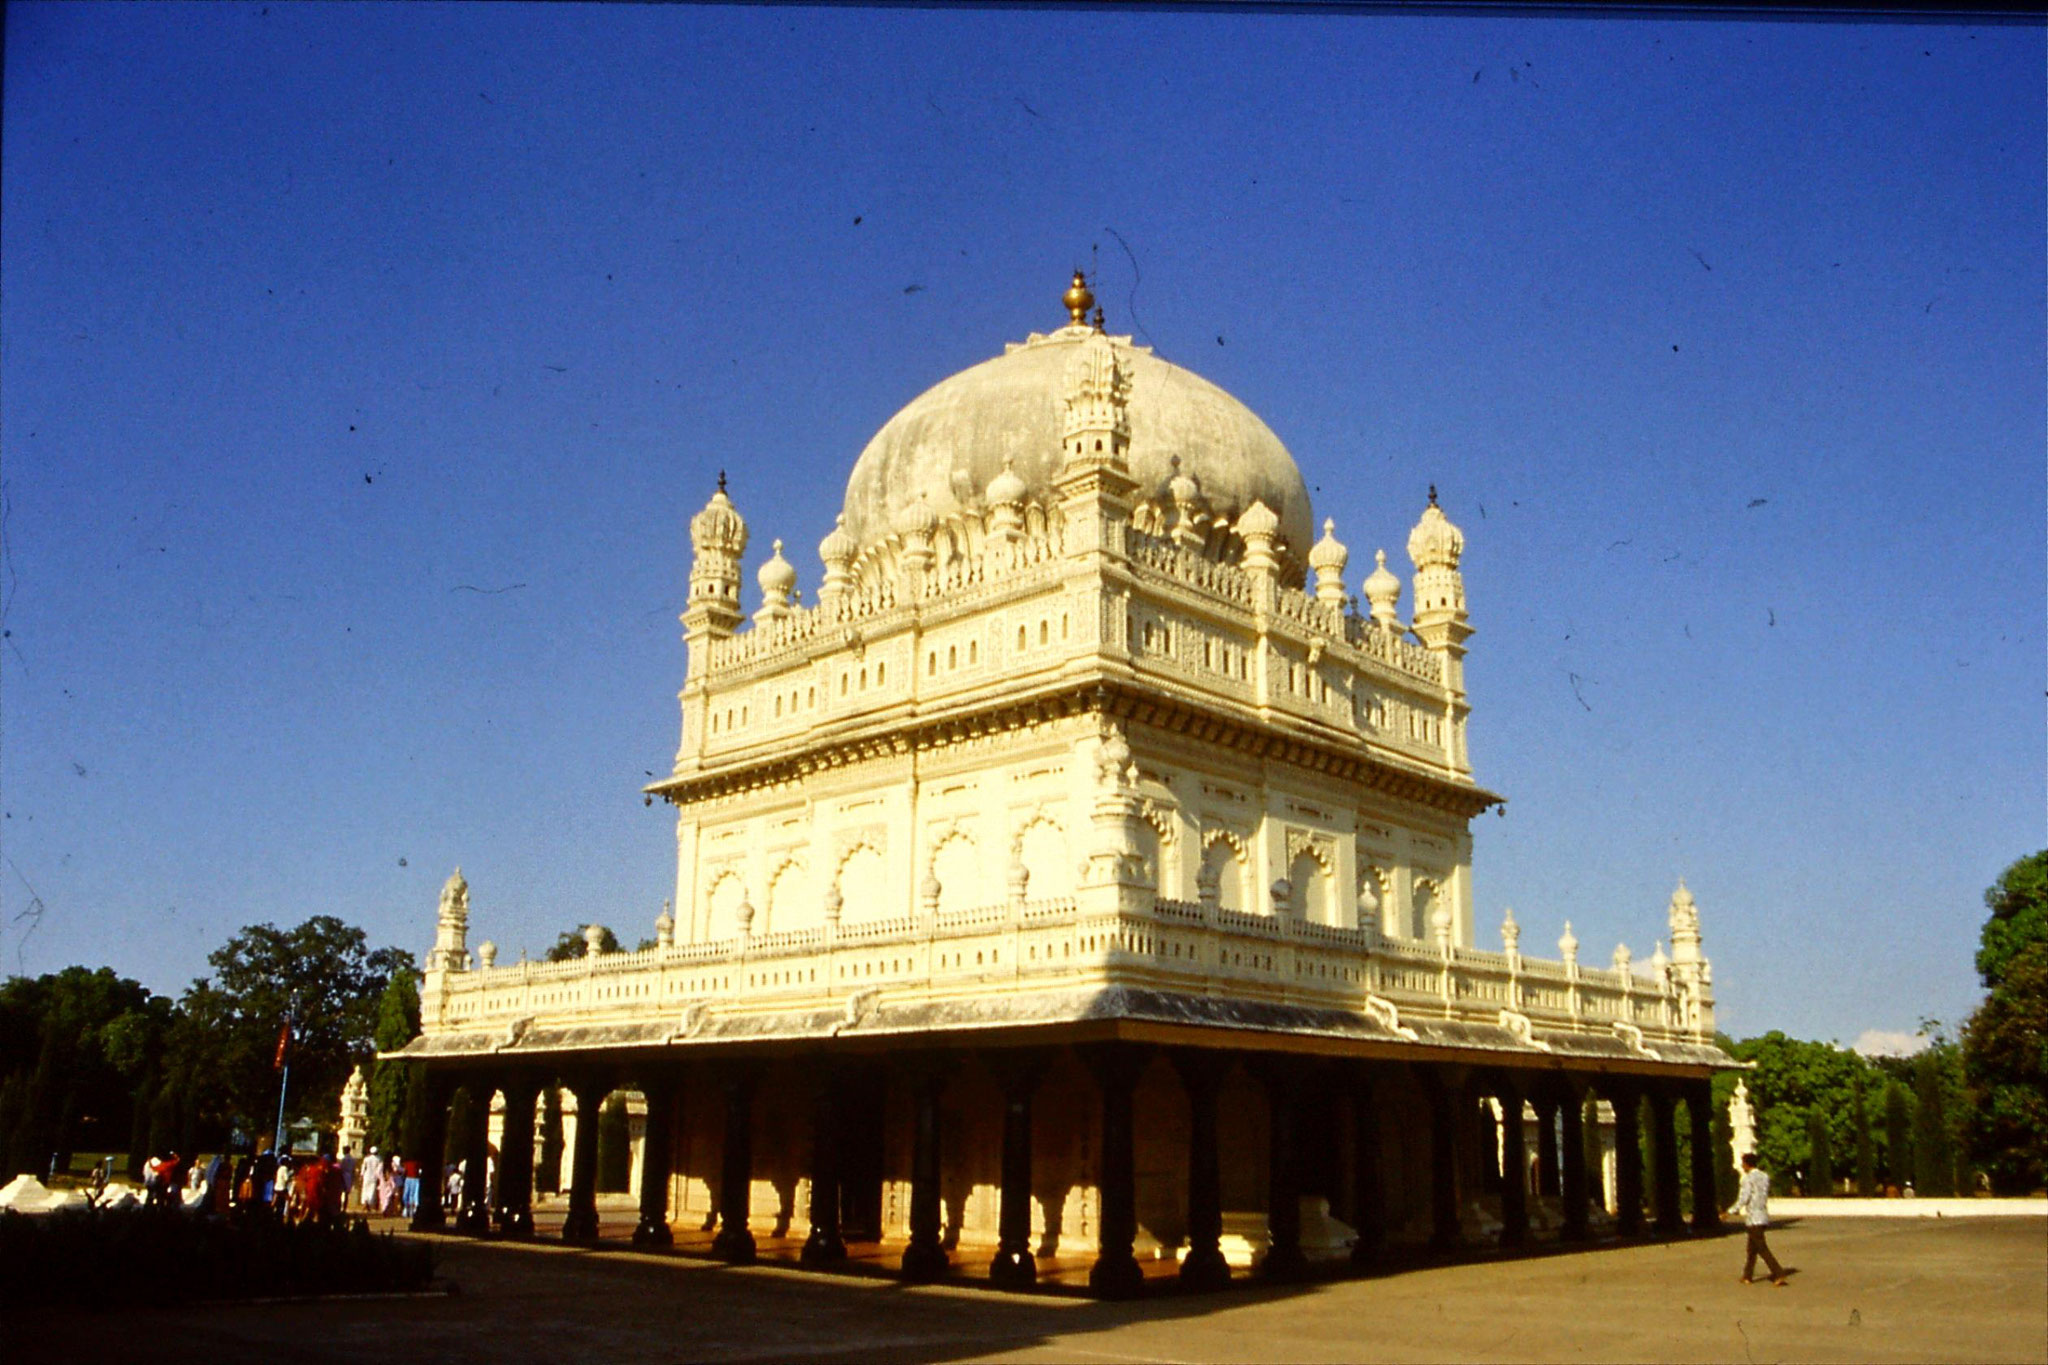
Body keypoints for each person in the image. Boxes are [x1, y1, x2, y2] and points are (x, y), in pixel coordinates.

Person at [1729, 1151, 1789, 1287]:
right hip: (1763, 1215)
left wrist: (1731, 1211)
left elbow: (1744, 1198)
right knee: (1752, 1249)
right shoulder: (1765, 1176)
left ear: (1746, 1164)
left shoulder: (1747, 1179)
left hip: (1753, 1218)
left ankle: (1778, 1273)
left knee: (1762, 1248)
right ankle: (1747, 1275)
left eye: (1743, 1163)